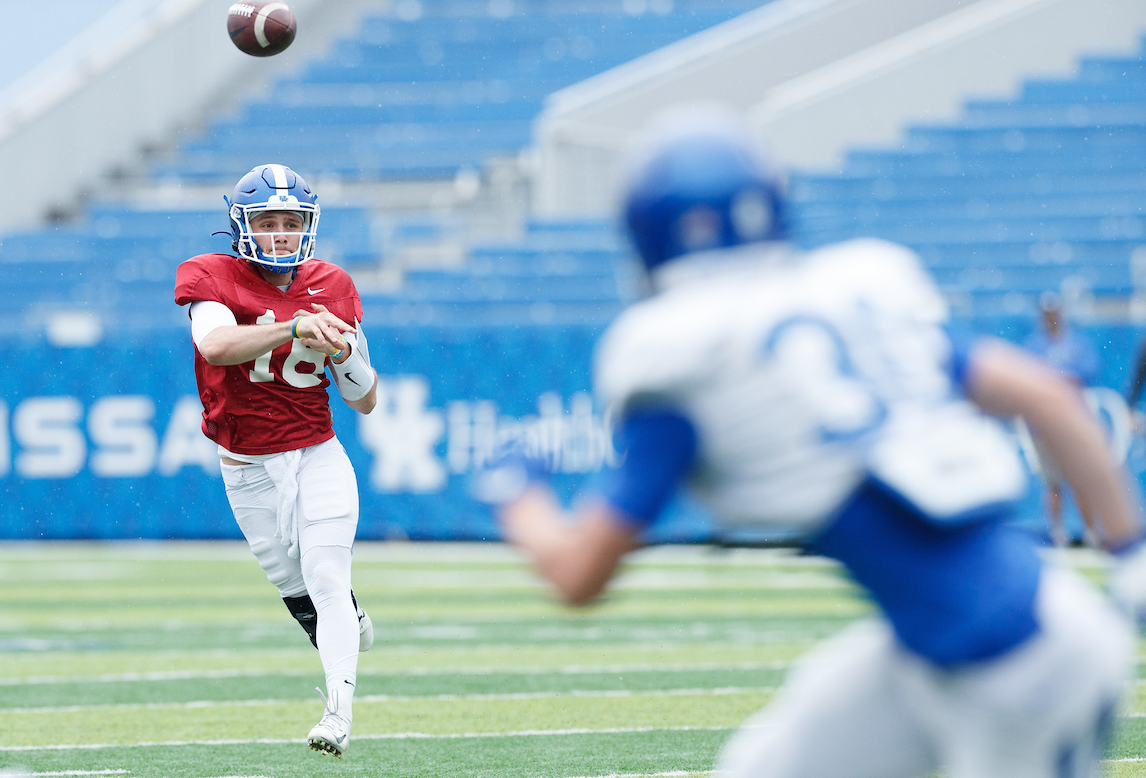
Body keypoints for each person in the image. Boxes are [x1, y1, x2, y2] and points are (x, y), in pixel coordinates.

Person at [476, 109, 1146, 778]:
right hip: (944, 646)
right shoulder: (860, 288)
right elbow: (1050, 399)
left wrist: (514, 492)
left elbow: (579, 575)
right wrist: (1132, 553)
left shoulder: (680, 355)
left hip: (1025, 671)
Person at [173, 163, 378, 759]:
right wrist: (293, 327)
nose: (282, 234)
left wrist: (344, 353)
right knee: (300, 595)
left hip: (316, 452)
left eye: (292, 222)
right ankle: (345, 623)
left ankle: (338, 716)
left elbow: (366, 400)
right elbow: (216, 345)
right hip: (244, 465)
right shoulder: (209, 274)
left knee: (325, 574)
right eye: (268, 222)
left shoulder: (333, 283)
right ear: (243, 225)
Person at [1020, 292, 1101, 546]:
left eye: (1054, 312)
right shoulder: (1034, 345)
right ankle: (1057, 533)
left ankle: (1090, 533)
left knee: (1081, 480)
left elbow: (1089, 371)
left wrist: (1055, 379)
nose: (1051, 317)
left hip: (1073, 422)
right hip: (1043, 425)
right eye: (1047, 313)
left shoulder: (1076, 343)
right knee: (1052, 482)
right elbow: (1027, 381)